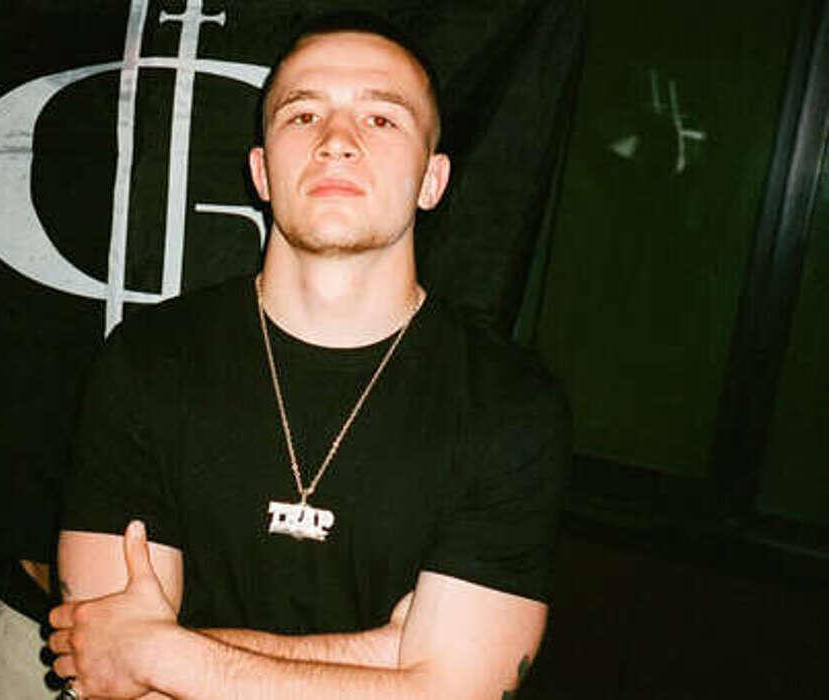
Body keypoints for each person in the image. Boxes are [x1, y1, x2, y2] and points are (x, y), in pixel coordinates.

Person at [48, 15, 570, 699]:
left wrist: (164, 653)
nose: (337, 141)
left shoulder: (509, 403)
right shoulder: (147, 361)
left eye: (381, 119)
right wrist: (387, 658)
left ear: (432, 180)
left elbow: (455, 694)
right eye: (303, 115)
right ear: (261, 171)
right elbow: (107, 668)